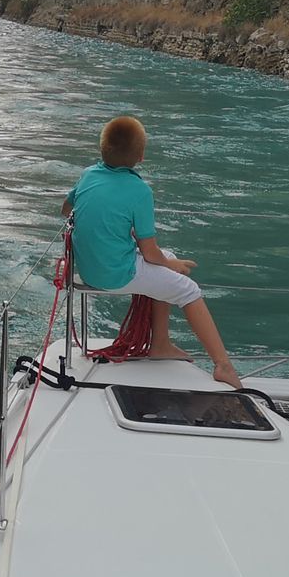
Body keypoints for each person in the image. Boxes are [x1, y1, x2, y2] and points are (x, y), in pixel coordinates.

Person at [63, 114, 243, 389]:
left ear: (102, 148)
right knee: (189, 290)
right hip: (115, 275)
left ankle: (160, 344)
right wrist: (174, 267)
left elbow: (66, 210)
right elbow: (149, 253)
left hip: (89, 267)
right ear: (141, 155)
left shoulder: (88, 174)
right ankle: (223, 366)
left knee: (168, 257)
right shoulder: (139, 191)